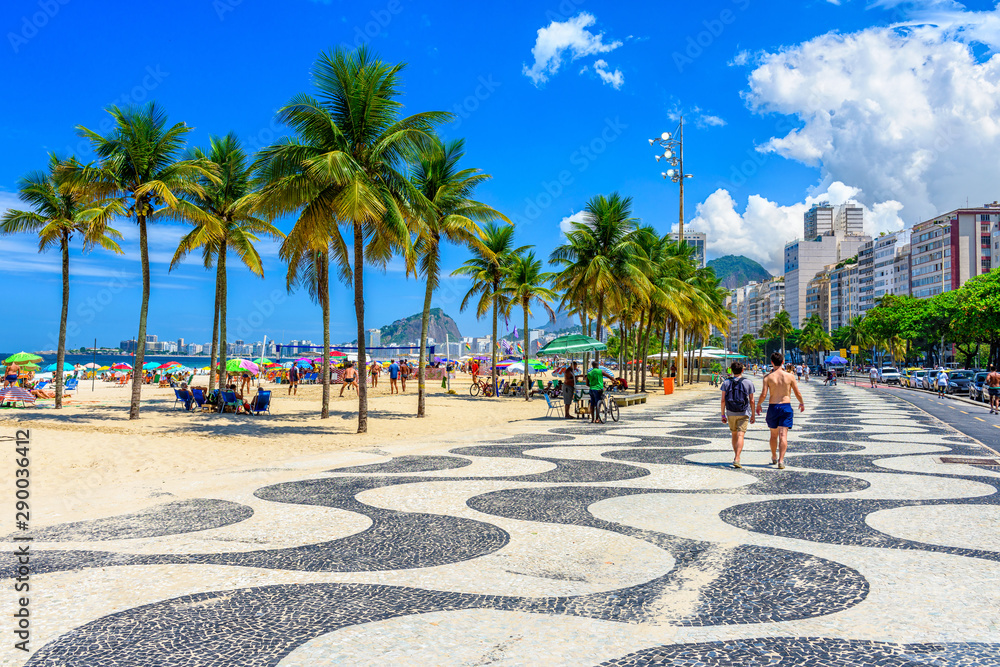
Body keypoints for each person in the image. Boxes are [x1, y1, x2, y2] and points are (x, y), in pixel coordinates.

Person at [756, 352, 805, 470]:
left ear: (772, 363)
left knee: (773, 435)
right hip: (786, 406)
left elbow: (763, 394)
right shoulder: (790, 376)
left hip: (773, 407)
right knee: (783, 435)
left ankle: (774, 456)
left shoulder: (768, 377)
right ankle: (781, 460)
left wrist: (758, 405)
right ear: (783, 362)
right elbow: (797, 392)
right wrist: (801, 402)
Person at [720, 361, 755, 468]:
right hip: (743, 412)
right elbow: (752, 400)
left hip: (730, 412)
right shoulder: (748, 382)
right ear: (742, 370)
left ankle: (736, 455)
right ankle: (737, 458)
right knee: (741, 435)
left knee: (734, 434)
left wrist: (723, 415)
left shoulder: (726, 383)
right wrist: (753, 414)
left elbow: (723, 400)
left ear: (731, 370)